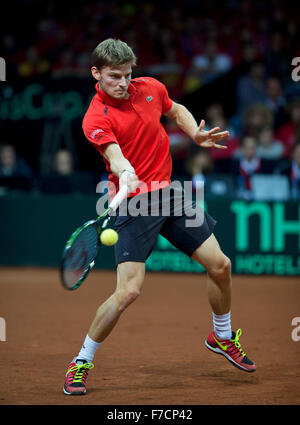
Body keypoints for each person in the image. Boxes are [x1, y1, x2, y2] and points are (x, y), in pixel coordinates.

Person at [63, 39, 256, 396]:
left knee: (221, 265)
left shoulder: (150, 87)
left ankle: (222, 335)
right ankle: (82, 361)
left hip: (168, 193)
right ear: (97, 74)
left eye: (127, 75)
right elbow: (114, 154)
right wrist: (124, 171)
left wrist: (194, 132)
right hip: (133, 204)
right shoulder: (95, 117)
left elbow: (175, 108)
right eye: (114, 76)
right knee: (128, 291)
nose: (123, 83)